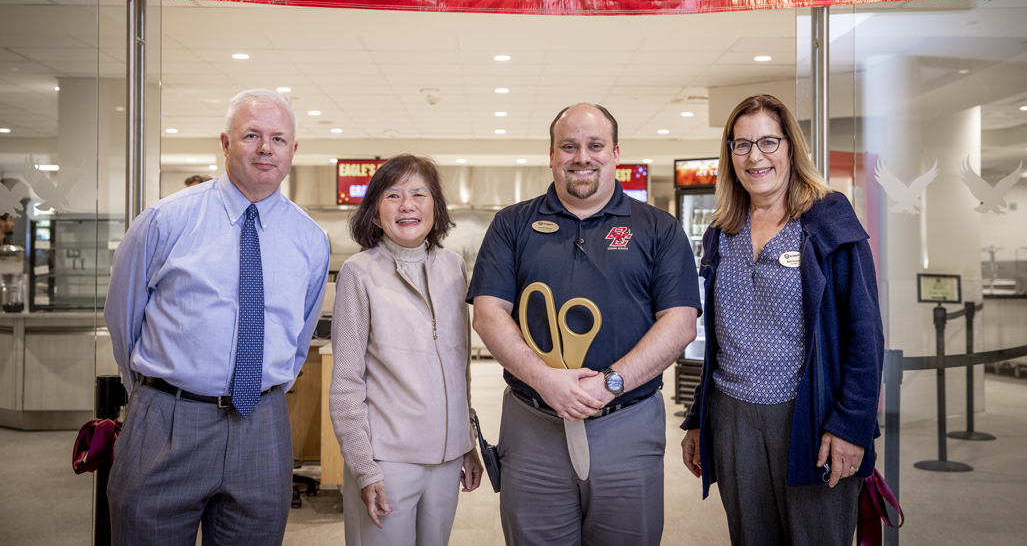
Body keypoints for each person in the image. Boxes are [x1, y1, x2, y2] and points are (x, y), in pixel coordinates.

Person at [104, 88, 330, 546]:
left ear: (293, 150)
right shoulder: (165, 221)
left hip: (262, 425)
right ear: (226, 144)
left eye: (278, 138)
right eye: (252, 135)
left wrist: (266, 394)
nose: (266, 148)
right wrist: (158, 396)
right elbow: (122, 318)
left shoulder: (311, 239)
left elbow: (299, 333)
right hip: (167, 421)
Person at [468, 103, 702, 546]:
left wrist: (610, 383)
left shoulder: (659, 229)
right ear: (552, 155)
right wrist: (546, 380)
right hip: (533, 426)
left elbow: (680, 323)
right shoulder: (511, 225)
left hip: (627, 424)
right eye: (569, 146)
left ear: (616, 153)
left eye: (595, 146)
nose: (582, 157)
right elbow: (488, 314)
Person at [680, 94, 884, 545]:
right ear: (729, 154)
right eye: (742, 144)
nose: (755, 156)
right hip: (732, 417)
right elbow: (719, 338)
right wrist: (699, 417)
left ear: (791, 146)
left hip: (810, 417)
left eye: (768, 142)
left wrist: (851, 427)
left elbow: (865, 336)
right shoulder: (721, 232)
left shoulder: (828, 222)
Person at [329, 154, 483, 546]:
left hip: (447, 456)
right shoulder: (359, 272)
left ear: (435, 206)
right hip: (388, 459)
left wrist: (466, 443)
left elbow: (458, 366)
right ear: (376, 214)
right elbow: (347, 381)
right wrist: (365, 467)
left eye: (419, 193)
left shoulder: (451, 266)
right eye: (393, 196)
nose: (408, 205)